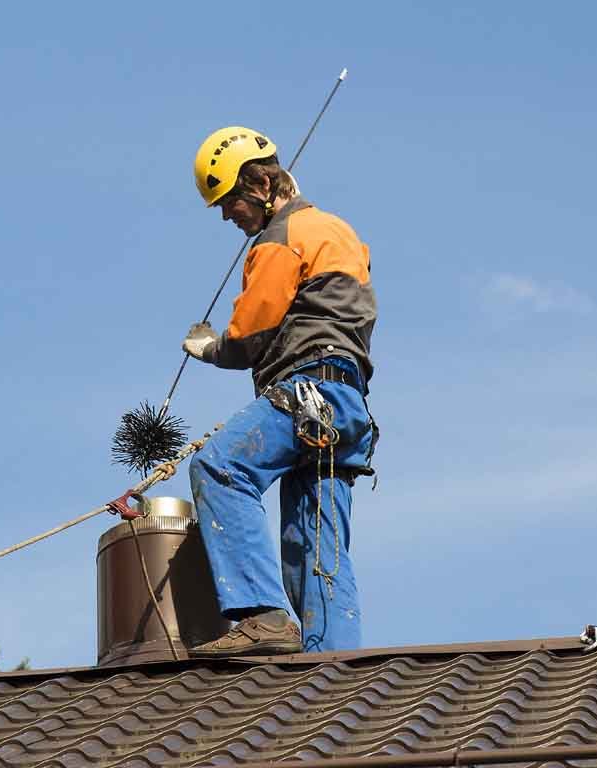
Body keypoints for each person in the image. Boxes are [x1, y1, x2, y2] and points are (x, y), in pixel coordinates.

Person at [182, 126, 377, 657]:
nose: (228, 216)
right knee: (317, 543)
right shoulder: (337, 231)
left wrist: (211, 346)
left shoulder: (279, 239)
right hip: (345, 407)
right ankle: (334, 668)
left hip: (307, 389)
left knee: (220, 466)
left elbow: (251, 334)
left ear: (263, 184)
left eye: (230, 202)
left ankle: (260, 615)